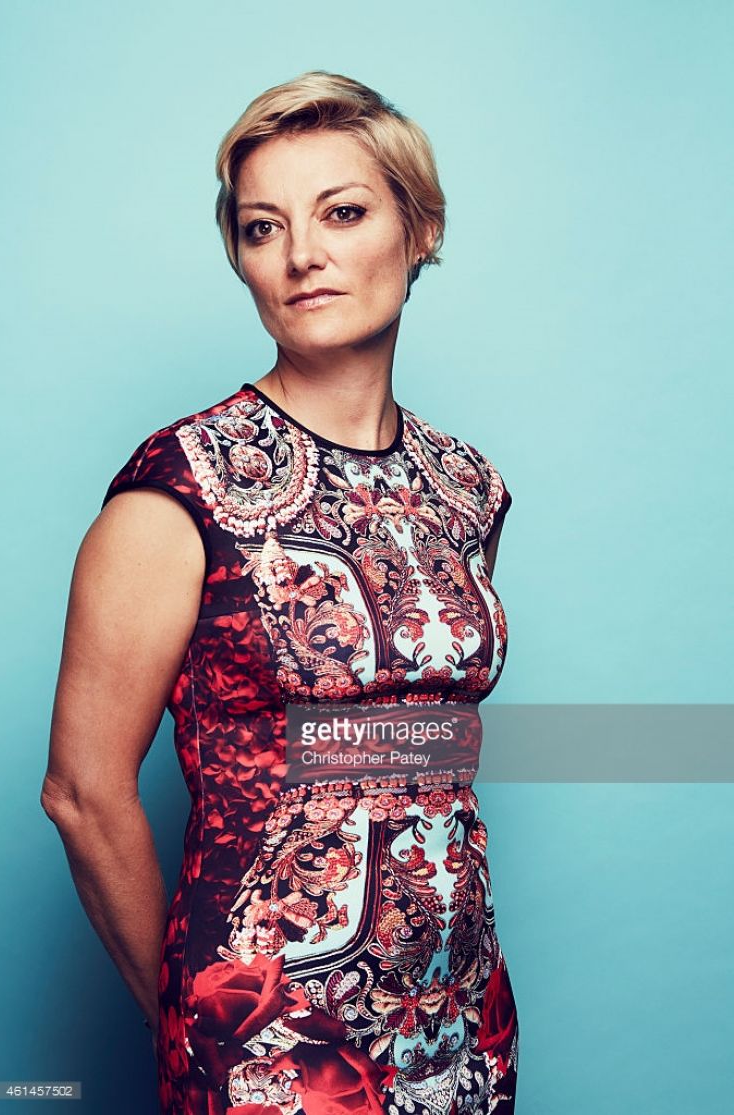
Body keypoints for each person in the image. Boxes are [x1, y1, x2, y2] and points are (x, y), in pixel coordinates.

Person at [41, 70, 518, 1115]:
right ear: (242, 257)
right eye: (264, 227)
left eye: (342, 212)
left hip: (462, 1023)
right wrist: (196, 1014)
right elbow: (81, 791)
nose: (302, 254)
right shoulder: (180, 488)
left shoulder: (467, 484)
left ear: (421, 229)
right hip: (275, 1043)